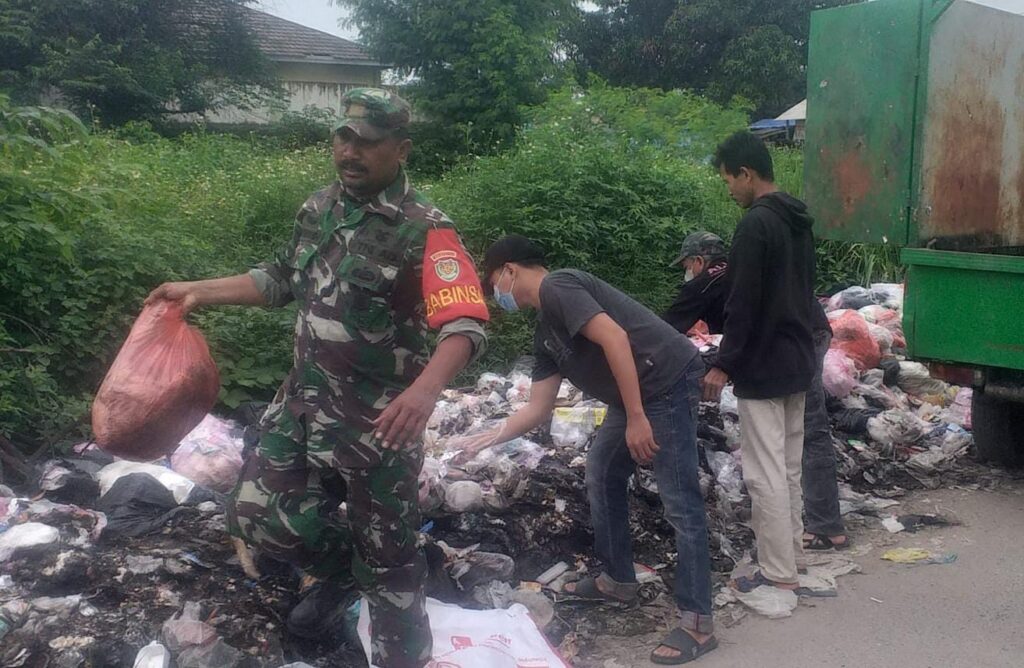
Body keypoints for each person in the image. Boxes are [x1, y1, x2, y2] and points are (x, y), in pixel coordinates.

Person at [146, 89, 489, 668]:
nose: (350, 152)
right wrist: (198, 290)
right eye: (343, 138)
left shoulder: (425, 229)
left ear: (400, 149)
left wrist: (424, 391)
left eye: (367, 142)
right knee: (256, 516)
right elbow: (279, 278)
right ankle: (346, 574)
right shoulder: (318, 207)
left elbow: (466, 323)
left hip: (377, 426)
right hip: (301, 408)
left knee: (393, 570)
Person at [464, 235, 717, 665]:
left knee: (679, 497)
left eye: (493, 282)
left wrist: (637, 418)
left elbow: (616, 339)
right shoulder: (545, 332)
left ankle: (698, 622)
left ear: (509, 270)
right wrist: (485, 437)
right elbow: (538, 408)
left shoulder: (558, 286)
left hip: (667, 381)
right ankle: (618, 580)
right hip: (634, 395)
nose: (496, 294)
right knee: (601, 470)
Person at [664, 231, 847, 551]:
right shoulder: (747, 266)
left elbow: (665, 330)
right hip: (811, 330)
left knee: (800, 431)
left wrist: (721, 365)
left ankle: (816, 529)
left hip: (795, 340)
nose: (688, 271)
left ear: (698, 261)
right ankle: (815, 525)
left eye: (687, 264)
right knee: (803, 431)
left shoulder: (706, 282)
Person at [700, 131, 819, 593]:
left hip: (763, 364)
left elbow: (743, 303)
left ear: (746, 174)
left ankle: (777, 572)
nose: (729, 188)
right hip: (797, 357)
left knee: (763, 471)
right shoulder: (798, 219)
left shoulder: (755, 224)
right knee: (788, 468)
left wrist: (723, 362)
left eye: (729, 179)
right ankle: (794, 558)